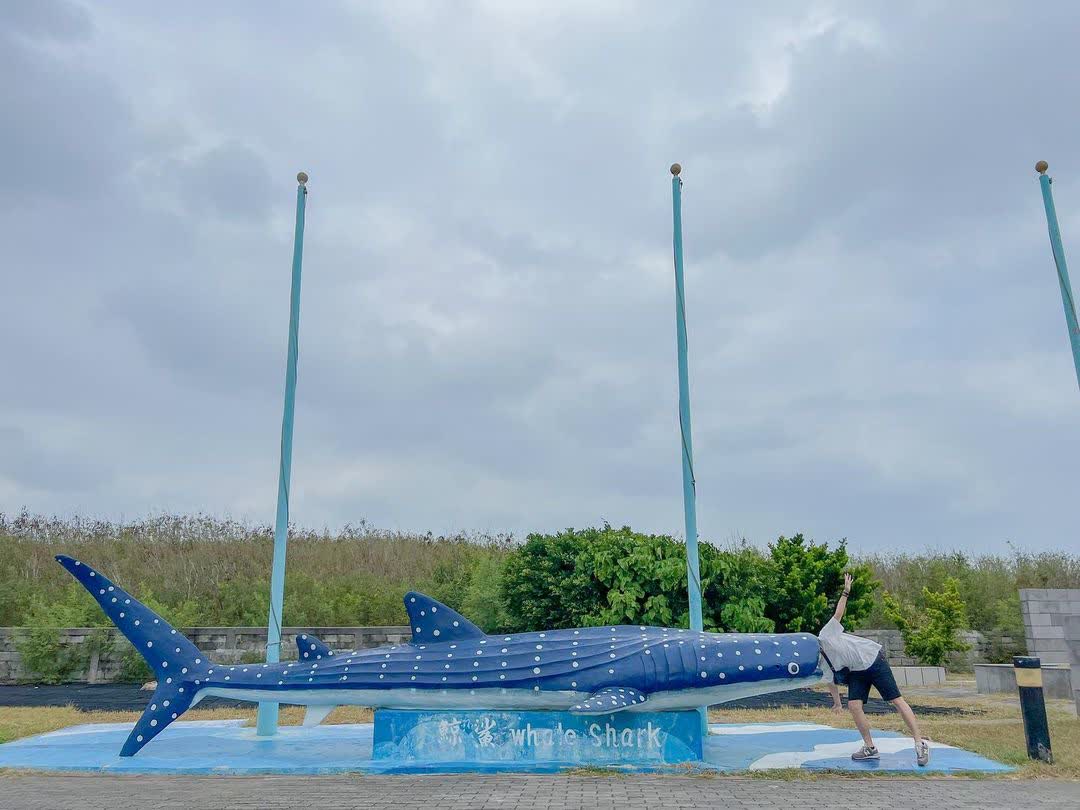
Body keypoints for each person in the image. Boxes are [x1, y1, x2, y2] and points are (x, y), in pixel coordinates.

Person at [818, 573, 930, 766]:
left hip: (872, 659)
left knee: (896, 700)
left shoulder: (825, 635)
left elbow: (838, 615)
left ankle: (919, 743)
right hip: (856, 671)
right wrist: (837, 704)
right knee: (854, 706)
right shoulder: (818, 662)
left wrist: (846, 592)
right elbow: (831, 681)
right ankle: (870, 747)